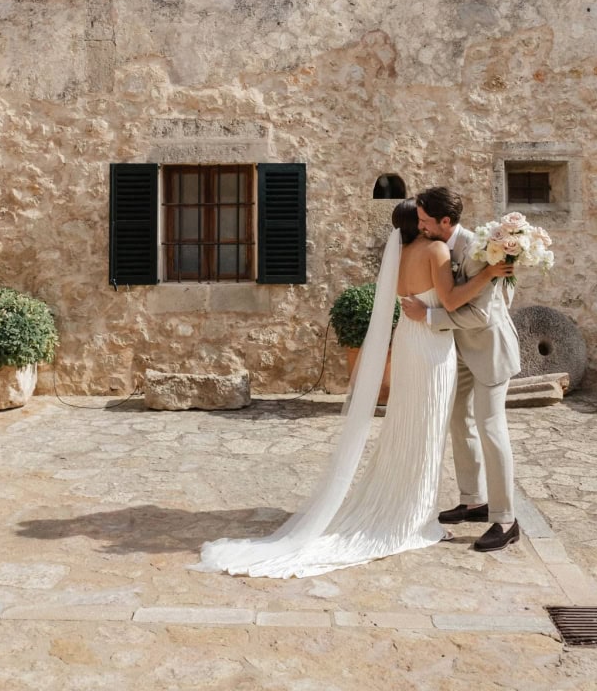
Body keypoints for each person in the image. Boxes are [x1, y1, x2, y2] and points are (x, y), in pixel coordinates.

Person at [191, 202, 512, 579]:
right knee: (426, 431)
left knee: (407, 425)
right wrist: (491, 272)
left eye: (429, 218)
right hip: (431, 346)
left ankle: (427, 502)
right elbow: (453, 300)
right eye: (422, 219)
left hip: (409, 341)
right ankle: (415, 516)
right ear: (418, 224)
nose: (426, 223)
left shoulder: (402, 253)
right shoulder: (436, 250)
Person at [403, 187, 521, 553]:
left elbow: (482, 313)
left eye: (425, 220)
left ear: (445, 221)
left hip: (489, 350)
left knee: (490, 427)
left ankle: (506, 518)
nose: (419, 226)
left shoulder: (478, 249)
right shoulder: (439, 244)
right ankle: (474, 501)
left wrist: (429, 316)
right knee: (458, 419)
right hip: (461, 349)